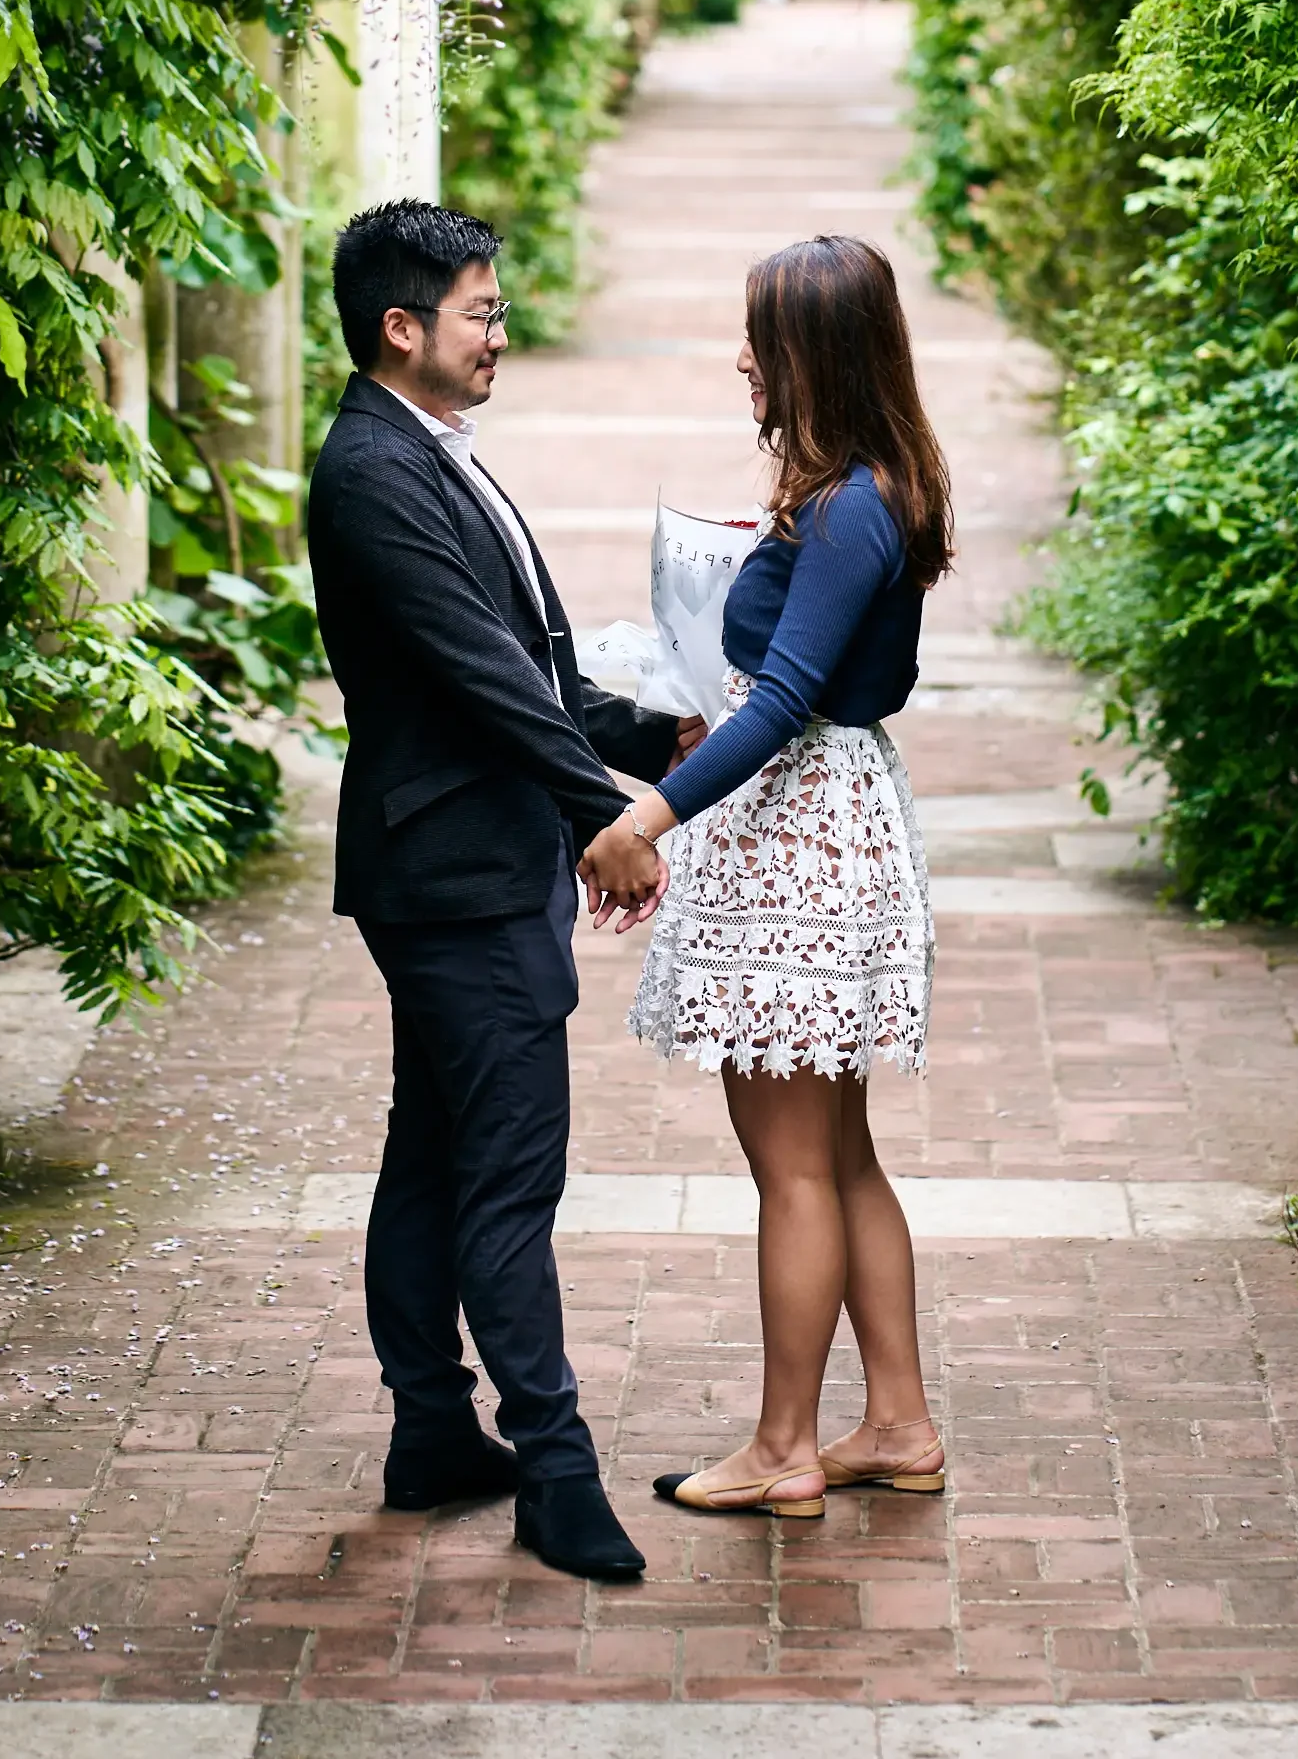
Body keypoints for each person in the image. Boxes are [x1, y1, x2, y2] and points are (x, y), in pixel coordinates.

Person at [306, 199, 702, 1583]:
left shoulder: (424, 452)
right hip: (457, 876)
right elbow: (479, 687)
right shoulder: (368, 473)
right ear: (400, 326)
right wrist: (607, 813)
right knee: (509, 1179)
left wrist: (654, 742)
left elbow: (523, 665)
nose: (501, 334)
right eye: (482, 311)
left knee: (434, 1148)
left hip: (463, 863)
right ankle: (554, 1470)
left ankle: (431, 1434)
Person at [581, 234, 952, 1518]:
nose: (746, 358)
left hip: (802, 839)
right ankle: (895, 1423)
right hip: (822, 823)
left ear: (821, 357)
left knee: (794, 1163)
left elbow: (788, 697)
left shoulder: (852, 503)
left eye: (767, 339)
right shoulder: (857, 488)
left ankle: (785, 1446)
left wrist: (653, 816)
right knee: (838, 1154)